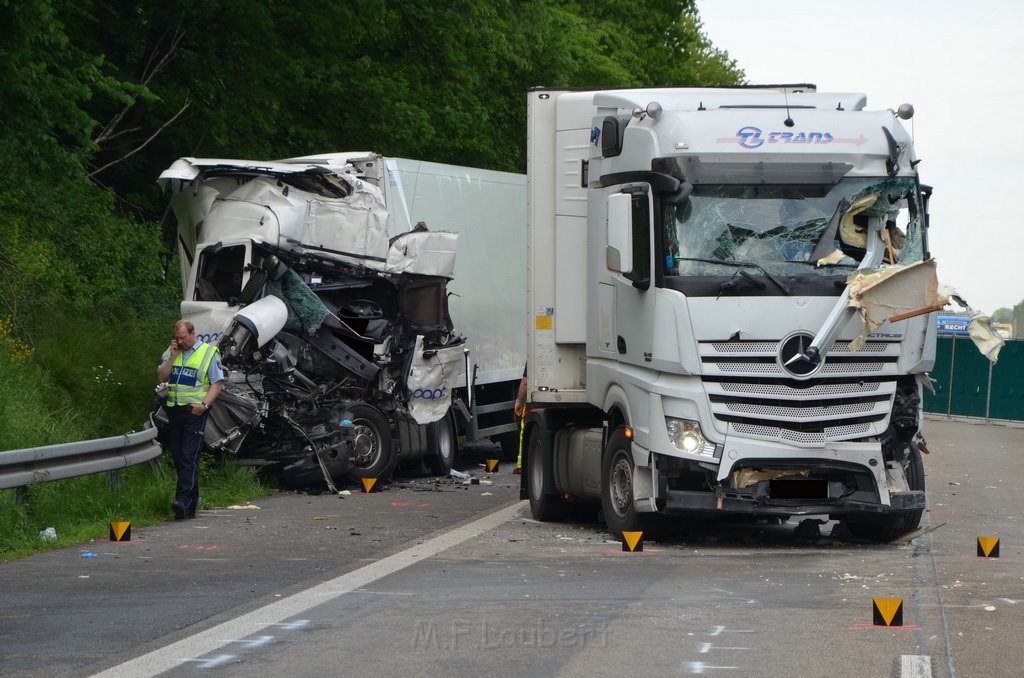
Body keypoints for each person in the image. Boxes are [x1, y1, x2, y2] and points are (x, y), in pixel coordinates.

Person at [157, 320, 224, 519]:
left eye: (183, 337)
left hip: (194, 412)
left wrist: (203, 406)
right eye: (177, 337)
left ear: (193, 333)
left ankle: (182, 499)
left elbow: (217, 383)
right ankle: (190, 504)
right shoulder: (172, 352)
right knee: (178, 455)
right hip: (174, 411)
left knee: (189, 456)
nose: (180, 341)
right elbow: (161, 377)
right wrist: (172, 357)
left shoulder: (208, 353)